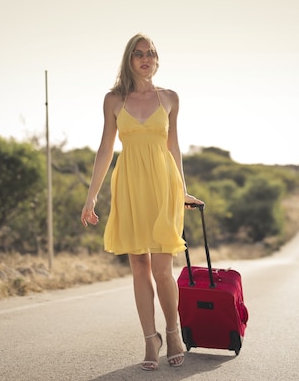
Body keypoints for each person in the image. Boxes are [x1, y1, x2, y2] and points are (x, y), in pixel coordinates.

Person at [80, 33, 203, 371]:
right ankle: (150, 340)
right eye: (138, 54)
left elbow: (173, 147)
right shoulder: (114, 100)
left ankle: (173, 333)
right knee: (139, 267)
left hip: (164, 186)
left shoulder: (170, 98)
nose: (145, 58)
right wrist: (91, 197)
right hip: (130, 185)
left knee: (164, 268)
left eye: (151, 53)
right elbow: (106, 149)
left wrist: (183, 190)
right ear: (129, 60)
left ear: (157, 58)